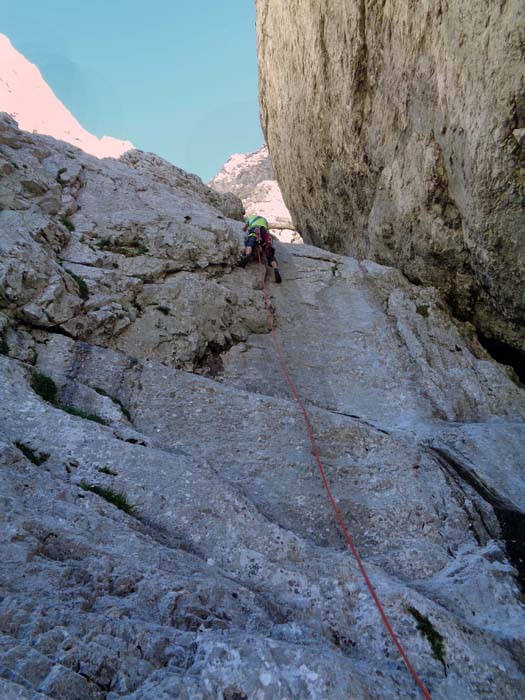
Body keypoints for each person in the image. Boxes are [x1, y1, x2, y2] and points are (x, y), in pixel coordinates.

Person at [238, 214, 282, 283]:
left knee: (250, 243)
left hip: (255, 230)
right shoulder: (264, 220)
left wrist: (244, 229)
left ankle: (246, 255)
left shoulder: (250, 218)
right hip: (265, 233)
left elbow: (244, 229)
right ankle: (275, 268)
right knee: (269, 253)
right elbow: (266, 230)